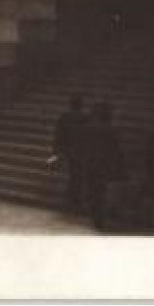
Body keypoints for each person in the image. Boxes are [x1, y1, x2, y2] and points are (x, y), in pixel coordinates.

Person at [81, 102, 125, 232]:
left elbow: (84, 147)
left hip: (91, 165)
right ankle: (100, 217)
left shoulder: (88, 128)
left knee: (93, 191)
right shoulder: (111, 130)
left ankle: (96, 216)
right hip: (104, 166)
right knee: (101, 191)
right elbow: (116, 150)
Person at [51, 95, 87, 212]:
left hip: (68, 150)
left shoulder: (64, 116)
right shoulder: (85, 117)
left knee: (73, 174)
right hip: (80, 150)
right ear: (81, 105)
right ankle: (75, 198)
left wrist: (56, 151)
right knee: (77, 175)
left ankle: (71, 197)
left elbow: (58, 135)